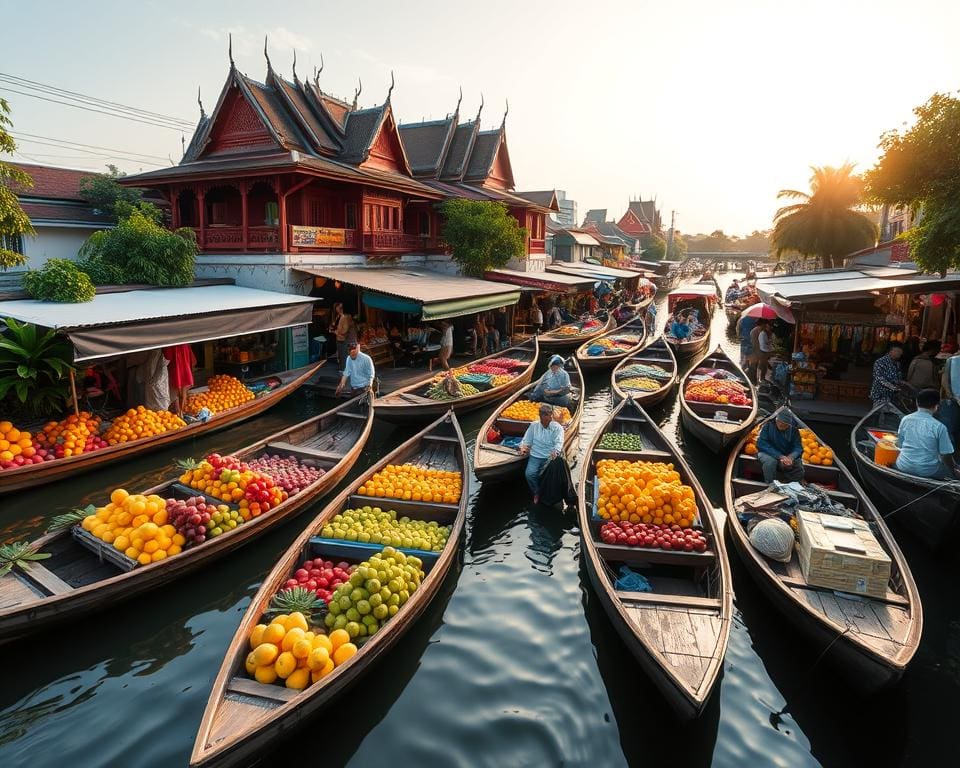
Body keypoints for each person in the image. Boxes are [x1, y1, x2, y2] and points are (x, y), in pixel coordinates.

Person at [895, 388, 958, 479]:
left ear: (917, 403)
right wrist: (953, 471)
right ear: (937, 406)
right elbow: (945, 455)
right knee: (950, 472)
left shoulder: (905, 419)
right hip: (928, 471)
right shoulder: (940, 427)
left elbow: (899, 444)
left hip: (903, 466)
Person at [518, 402, 565, 499]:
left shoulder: (557, 428)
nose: (546, 422)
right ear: (540, 417)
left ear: (551, 416)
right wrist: (523, 447)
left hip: (550, 457)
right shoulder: (534, 426)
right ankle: (537, 492)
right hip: (535, 456)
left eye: (548, 419)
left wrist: (555, 451)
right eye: (544, 420)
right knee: (529, 474)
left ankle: (551, 493)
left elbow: (559, 442)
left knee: (550, 476)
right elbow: (527, 440)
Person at [756, 410, 804, 483]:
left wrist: (791, 457)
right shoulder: (768, 426)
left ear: (789, 424)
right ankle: (770, 484)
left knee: (799, 464)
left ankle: (792, 485)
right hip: (767, 453)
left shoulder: (794, 431)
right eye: (780, 423)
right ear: (776, 420)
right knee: (770, 462)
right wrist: (779, 456)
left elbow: (798, 447)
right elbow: (762, 444)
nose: (782, 425)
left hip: (786, 455)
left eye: (785, 425)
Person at [163, 344, 196, 415]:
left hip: (175, 370)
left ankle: (178, 413)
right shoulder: (184, 342)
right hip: (185, 370)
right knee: (183, 392)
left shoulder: (170, 344)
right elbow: (192, 360)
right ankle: (181, 412)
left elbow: (167, 357)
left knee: (176, 392)